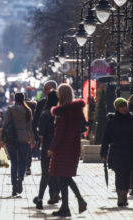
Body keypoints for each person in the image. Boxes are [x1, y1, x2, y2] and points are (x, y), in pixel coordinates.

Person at [48, 84, 87, 217]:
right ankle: (65, 207)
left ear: (62, 95)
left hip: (63, 148)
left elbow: (59, 133)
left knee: (64, 177)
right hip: (73, 146)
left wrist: (52, 148)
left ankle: (79, 200)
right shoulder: (76, 110)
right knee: (64, 178)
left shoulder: (62, 112)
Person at [100, 97, 133, 207]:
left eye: (125, 106)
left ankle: (124, 195)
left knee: (127, 174)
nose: (124, 108)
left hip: (129, 151)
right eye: (122, 106)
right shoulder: (112, 121)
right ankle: (120, 197)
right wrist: (103, 153)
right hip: (117, 152)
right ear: (117, 108)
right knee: (119, 174)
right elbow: (106, 138)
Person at [3, 92, 35, 196]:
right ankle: (20, 178)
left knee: (13, 163)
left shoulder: (10, 110)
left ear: (14, 99)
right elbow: (30, 127)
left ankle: (13, 186)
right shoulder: (27, 110)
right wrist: (32, 139)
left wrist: (3, 139)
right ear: (23, 99)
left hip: (11, 138)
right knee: (22, 162)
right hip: (23, 138)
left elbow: (5, 124)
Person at [33, 90, 61, 209]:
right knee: (59, 173)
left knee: (45, 174)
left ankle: (39, 199)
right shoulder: (61, 113)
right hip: (59, 147)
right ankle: (57, 194)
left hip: (47, 147)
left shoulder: (45, 114)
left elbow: (41, 132)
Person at [25, 100, 37, 175]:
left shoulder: (25, 114)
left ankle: (24, 167)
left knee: (24, 152)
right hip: (31, 136)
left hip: (23, 135)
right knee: (29, 153)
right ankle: (28, 167)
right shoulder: (34, 116)